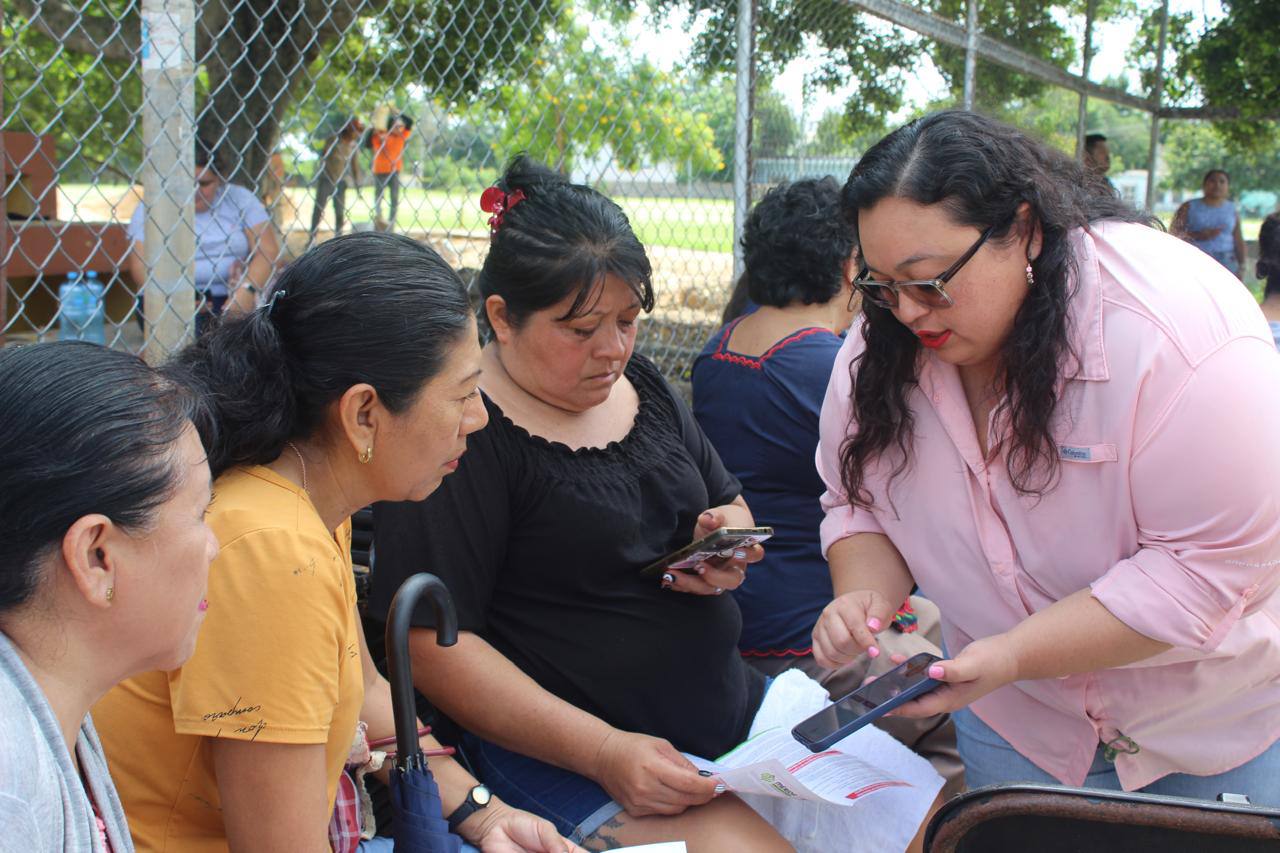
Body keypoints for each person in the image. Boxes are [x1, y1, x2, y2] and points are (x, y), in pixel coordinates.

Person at [370, 158, 939, 853]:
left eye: (627, 320)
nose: (612, 349)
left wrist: (726, 546)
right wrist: (604, 750)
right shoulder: (466, 432)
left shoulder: (640, 384)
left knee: (931, 824)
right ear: (501, 317)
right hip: (568, 757)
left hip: (733, 714)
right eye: (581, 329)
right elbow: (432, 647)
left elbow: (727, 500)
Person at [812, 110, 1280, 806]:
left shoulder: (1174, 336)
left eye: (930, 281)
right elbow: (858, 500)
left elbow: (1201, 569)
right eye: (881, 285)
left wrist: (1015, 653)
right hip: (1014, 721)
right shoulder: (884, 342)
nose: (906, 312)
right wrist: (863, 596)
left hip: (1206, 725)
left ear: (1025, 229)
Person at [94, 233, 583, 853]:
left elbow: (370, 696)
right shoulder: (273, 551)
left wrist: (484, 816)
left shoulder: (309, 497)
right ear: (362, 414)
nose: (479, 417)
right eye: (462, 394)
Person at [690, 177, 964, 797]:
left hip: (745, 615)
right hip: (814, 633)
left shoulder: (719, 349)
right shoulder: (829, 365)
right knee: (957, 681)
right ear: (850, 267)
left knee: (929, 617)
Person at [0, 341, 216, 852]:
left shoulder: (49, 705)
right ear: (96, 556)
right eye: (200, 515)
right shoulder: (12, 790)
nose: (214, 547)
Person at [128, 139, 281, 337]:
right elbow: (140, 266)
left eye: (204, 183)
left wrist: (246, 291)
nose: (195, 191)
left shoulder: (239, 198)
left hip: (232, 293)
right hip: (169, 296)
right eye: (187, 184)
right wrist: (175, 299)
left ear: (220, 179)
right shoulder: (153, 206)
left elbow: (268, 251)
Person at [1172, 169, 1247, 280]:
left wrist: (1242, 265)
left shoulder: (1232, 209)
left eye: (1222, 182)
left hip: (1227, 261)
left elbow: (1238, 239)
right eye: (1212, 181)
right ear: (1204, 184)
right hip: (1196, 259)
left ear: (1228, 186)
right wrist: (1198, 235)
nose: (1217, 185)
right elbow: (1174, 234)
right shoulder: (1188, 206)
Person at [310, 117, 365, 244]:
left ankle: (338, 240)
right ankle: (311, 238)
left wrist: (358, 186)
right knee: (318, 209)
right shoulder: (334, 140)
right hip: (327, 179)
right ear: (349, 130)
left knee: (340, 212)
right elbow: (325, 155)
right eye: (355, 131)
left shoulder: (353, 146)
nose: (357, 135)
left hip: (341, 182)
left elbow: (355, 167)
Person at [371, 114, 413, 230]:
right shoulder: (381, 136)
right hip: (380, 170)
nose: (398, 128)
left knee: (394, 198)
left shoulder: (402, 136)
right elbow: (369, 143)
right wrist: (375, 130)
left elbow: (410, 122)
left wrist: (398, 113)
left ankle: (391, 225)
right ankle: (379, 221)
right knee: (379, 197)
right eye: (395, 125)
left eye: (399, 126)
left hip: (394, 171)